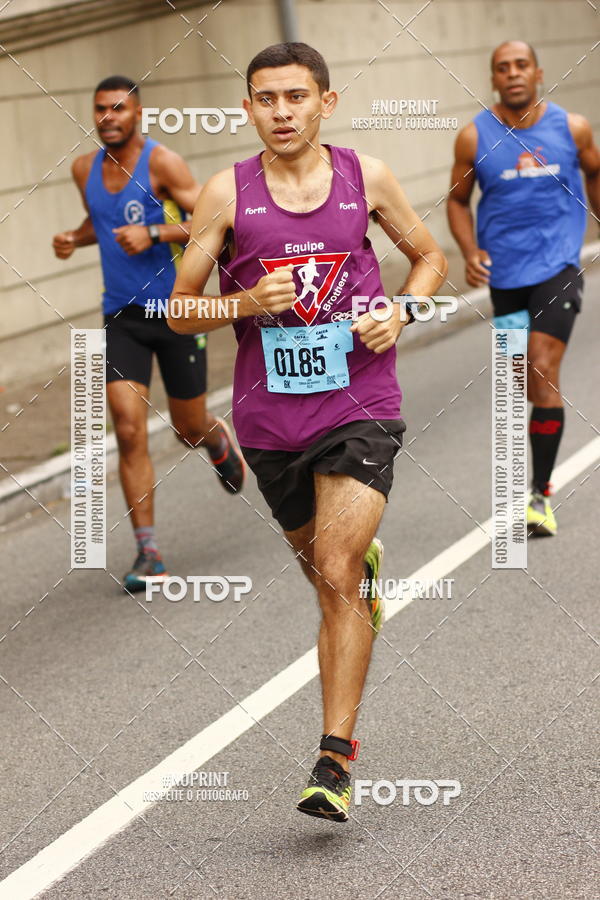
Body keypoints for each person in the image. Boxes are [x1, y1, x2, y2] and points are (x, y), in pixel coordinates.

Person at [168, 43, 446, 820]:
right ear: (248, 107)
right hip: (268, 417)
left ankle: (333, 761)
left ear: (326, 102)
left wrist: (405, 308)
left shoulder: (368, 178)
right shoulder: (226, 194)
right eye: (266, 99)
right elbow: (180, 306)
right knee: (327, 574)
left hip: (360, 401)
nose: (281, 112)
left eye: (296, 97)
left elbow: (430, 258)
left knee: (333, 567)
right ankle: (360, 578)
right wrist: (245, 303)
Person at [53, 75, 245, 590]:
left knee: (186, 427)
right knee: (129, 428)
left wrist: (156, 231)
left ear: (138, 114)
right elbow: (100, 219)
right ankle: (149, 552)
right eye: (100, 109)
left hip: (176, 310)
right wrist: (75, 237)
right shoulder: (82, 170)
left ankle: (214, 435)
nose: (109, 117)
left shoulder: (162, 162)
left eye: (119, 108)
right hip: (121, 316)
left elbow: (215, 219)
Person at [447, 41, 600, 536]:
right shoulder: (473, 138)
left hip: (557, 266)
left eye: (520, 66)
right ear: (494, 79)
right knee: (521, 381)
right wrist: (470, 251)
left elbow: (595, 172)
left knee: (541, 367)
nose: (512, 74)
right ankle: (528, 479)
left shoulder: (572, 128)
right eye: (502, 68)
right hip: (505, 278)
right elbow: (456, 201)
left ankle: (540, 495)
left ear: (537, 72)